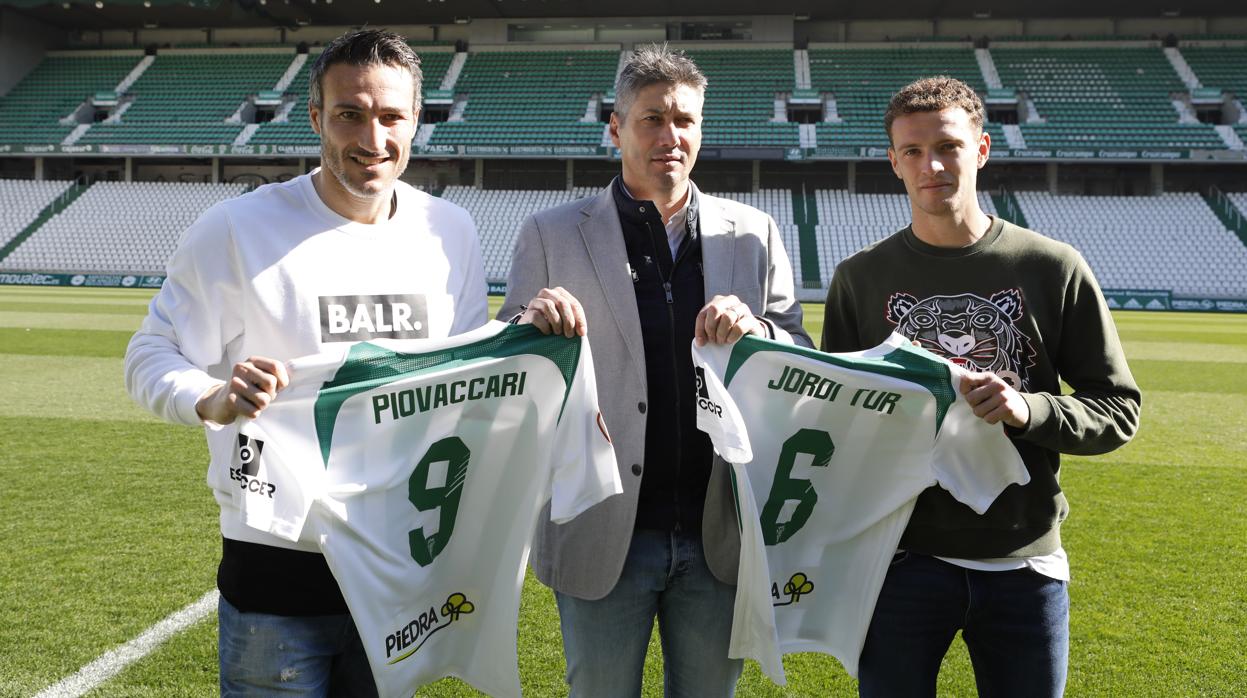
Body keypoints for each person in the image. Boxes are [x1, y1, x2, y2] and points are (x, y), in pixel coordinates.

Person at [124, 29, 487, 695]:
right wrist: (212, 398)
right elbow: (150, 353)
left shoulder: (449, 232)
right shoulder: (236, 230)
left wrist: (532, 334)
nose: (372, 137)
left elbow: (466, 377)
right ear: (316, 118)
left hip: (401, 571)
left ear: (416, 120)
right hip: (276, 572)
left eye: (391, 116)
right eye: (350, 114)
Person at [500, 43, 811, 698]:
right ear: (616, 128)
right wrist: (530, 322)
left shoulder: (753, 232)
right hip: (599, 526)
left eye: (684, 120)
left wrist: (758, 331)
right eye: (651, 119)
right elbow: (507, 371)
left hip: (719, 528)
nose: (670, 136)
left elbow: (798, 354)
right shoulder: (550, 233)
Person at [821, 76, 1141, 697]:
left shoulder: (1052, 266)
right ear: (893, 161)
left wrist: (1029, 409)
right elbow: (838, 420)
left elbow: (1118, 410)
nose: (932, 166)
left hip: (1024, 563)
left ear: (983, 149)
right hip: (897, 562)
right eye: (913, 151)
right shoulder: (859, 279)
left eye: (948, 146)